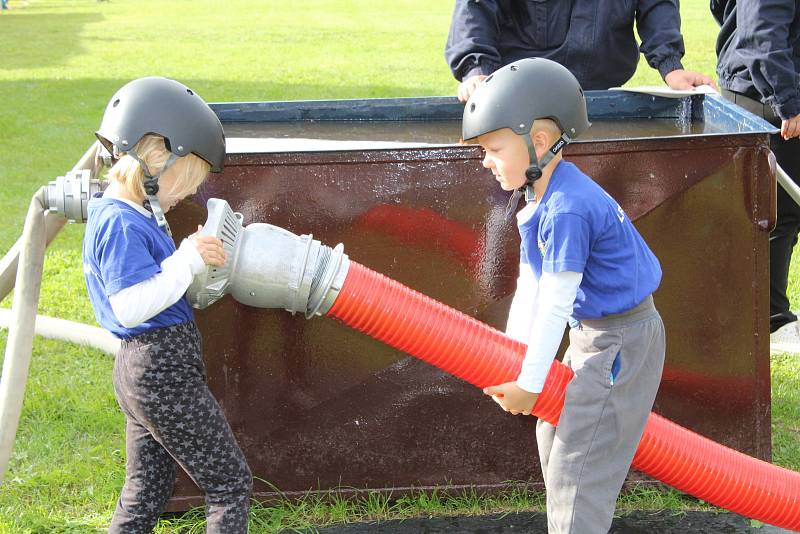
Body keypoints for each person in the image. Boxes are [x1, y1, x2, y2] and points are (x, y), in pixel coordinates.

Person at [464, 58, 666, 533]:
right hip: (594, 336)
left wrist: (530, 384)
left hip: (620, 341)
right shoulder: (544, 197)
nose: (485, 161)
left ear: (537, 141)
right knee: (554, 435)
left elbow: (554, 303)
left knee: (580, 468)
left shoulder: (568, 209)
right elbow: (530, 287)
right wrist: (512, 363)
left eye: (493, 148)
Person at [83, 77, 252, 532]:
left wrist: (191, 261)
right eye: (185, 182)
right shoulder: (120, 223)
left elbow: (158, 281)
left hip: (146, 370)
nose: (184, 196)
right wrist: (186, 258)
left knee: (146, 494)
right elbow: (129, 306)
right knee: (230, 486)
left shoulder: (125, 212)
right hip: (161, 370)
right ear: (157, 158)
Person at [712, 0, 800, 348]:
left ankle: (767, 315)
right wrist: (788, 103)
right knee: (775, 212)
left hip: (765, 85)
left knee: (780, 211)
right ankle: (771, 321)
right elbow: (761, 30)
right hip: (765, 95)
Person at [445, 0, 716, 102]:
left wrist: (671, 67)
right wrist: (476, 70)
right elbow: (476, 7)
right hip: (521, 100)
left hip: (601, 99)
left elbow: (656, 4)